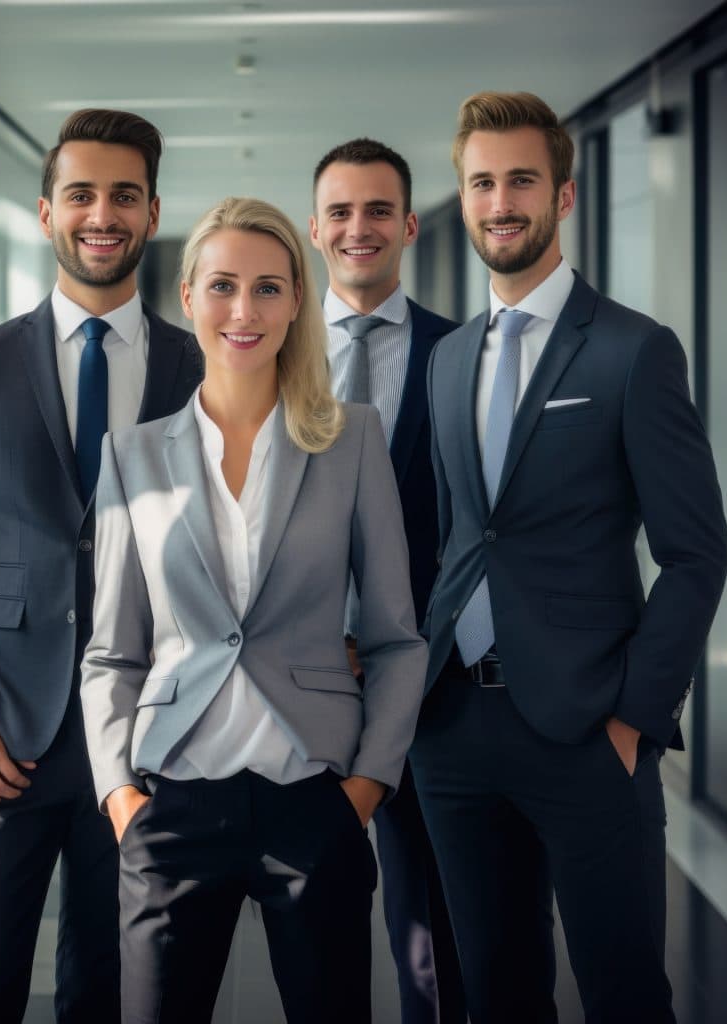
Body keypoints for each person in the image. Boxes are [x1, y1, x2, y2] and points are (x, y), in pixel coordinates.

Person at [410, 91, 727, 1023]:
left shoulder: (634, 351)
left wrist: (635, 713)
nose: (499, 201)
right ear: (464, 198)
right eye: (481, 182)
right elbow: (458, 537)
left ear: (564, 196)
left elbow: (697, 551)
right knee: (496, 993)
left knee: (626, 993)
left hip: (589, 731)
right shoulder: (448, 358)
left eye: (520, 180)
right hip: (453, 727)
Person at [80, 196, 429, 1024]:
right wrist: (121, 800)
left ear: (297, 301)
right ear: (189, 295)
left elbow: (395, 638)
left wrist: (368, 786)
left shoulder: (352, 441)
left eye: (269, 288)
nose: (245, 310)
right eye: (224, 286)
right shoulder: (131, 456)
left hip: (314, 798)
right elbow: (111, 653)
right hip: (171, 805)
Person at [0, 109, 201, 1023]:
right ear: (44, 212)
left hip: (148, 743)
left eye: (122, 195)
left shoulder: (199, 367)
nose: (100, 214)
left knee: (106, 992)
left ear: (152, 211)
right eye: (81, 194)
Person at [310, 138, 465, 1023]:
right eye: (341, 211)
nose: (358, 228)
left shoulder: (462, 353)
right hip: (298, 681)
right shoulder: (270, 356)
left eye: (377, 211)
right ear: (315, 228)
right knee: (315, 931)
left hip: (429, 689)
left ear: (407, 226)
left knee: (430, 940)